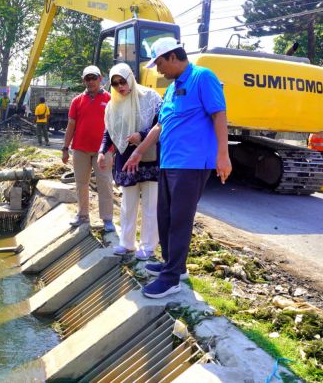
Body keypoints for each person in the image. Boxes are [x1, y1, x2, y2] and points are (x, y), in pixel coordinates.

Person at [123, 37, 232, 298]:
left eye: (159, 63)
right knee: (165, 217)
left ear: (173, 57)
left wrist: (223, 155)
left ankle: (171, 279)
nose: (158, 69)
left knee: (180, 220)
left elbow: (219, 114)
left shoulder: (202, 77)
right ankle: (174, 265)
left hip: (192, 163)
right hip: (169, 162)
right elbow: (160, 126)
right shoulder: (172, 88)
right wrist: (138, 151)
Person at [98, 63, 162, 260]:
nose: (120, 87)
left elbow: (161, 124)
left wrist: (141, 135)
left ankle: (148, 246)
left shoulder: (150, 98)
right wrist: (102, 151)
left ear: (131, 78)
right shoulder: (112, 104)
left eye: (122, 81)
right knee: (128, 204)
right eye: (115, 83)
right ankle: (127, 244)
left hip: (149, 158)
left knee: (151, 205)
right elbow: (109, 130)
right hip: (126, 159)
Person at [62, 65, 115, 231]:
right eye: (88, 78)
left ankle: (107, 219)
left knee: (105, 183)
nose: (91, 81)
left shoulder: (110, 99)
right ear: (83, 81)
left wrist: (114, 149)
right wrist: (65, 148)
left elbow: (115, 126)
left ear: (100, 79)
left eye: (94, 78)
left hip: (104, 150)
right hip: (80, 149)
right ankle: (82, 215)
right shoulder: (77, 101)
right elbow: (71, 125)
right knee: (81, 183)